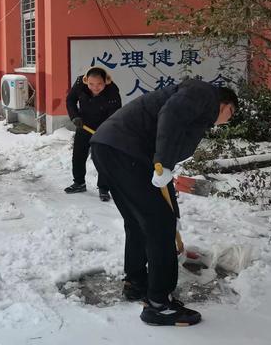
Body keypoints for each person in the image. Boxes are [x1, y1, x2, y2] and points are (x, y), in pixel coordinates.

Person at [90, 79, 238, 326]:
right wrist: (164, 162)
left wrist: (173, 209)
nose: (226, 121)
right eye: (230, 115)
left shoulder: (196, 103)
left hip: (111, 148)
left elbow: (165, 150)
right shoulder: (204, 94)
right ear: (226, 105)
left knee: (139, 222)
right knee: (159, 226)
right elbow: (172, 115)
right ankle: (159, 304)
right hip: (127, 151)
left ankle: (136, 283)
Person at [65, 67, 121, 201]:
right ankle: (79, 182)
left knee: (103, 158)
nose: (95, 87)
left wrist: (106, 130)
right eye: (91, 84)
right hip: (83, 124)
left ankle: (104, 188)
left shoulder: (112, 90)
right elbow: (70, 100)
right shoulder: (80, 84)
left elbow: (115, 114)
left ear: (105, 81)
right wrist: (75, 117)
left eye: (99, 84)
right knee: (78, 154)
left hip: (104, 127)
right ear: (86, 81)